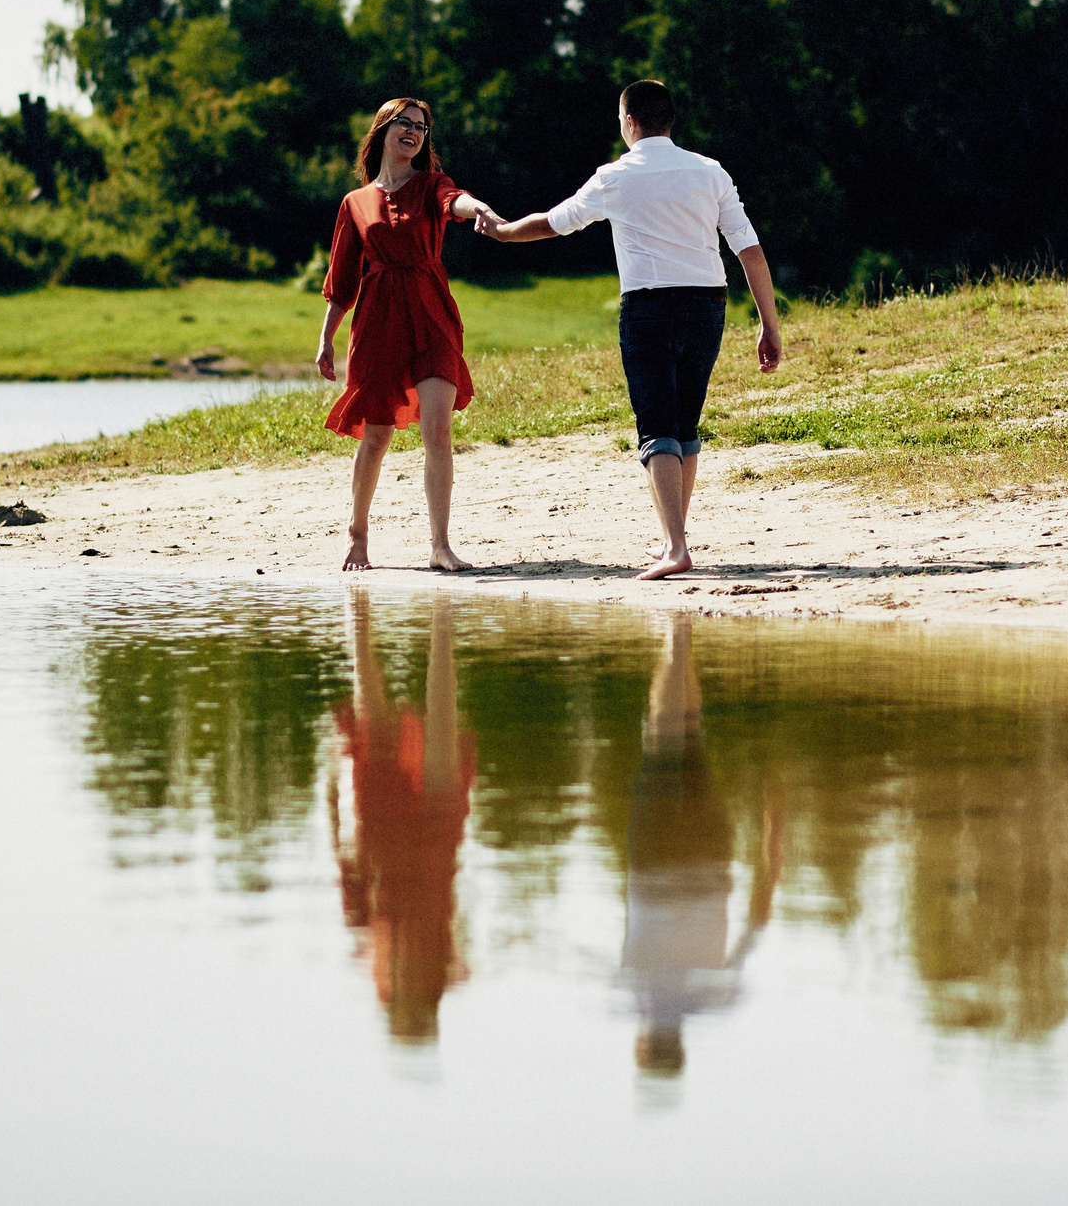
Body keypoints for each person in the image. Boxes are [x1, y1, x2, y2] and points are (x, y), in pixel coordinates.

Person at [478, 79, 782, 580]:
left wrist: (502, 230)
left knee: (657, 426)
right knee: (684, 425)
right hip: (709, 304)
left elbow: (555, 223)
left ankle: (676, 547)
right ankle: (673, 539)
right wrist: (769, 325)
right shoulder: (710, 172)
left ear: (629, 122)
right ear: (670, 120)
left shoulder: (615, 177)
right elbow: (748, 248)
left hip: (648, 308)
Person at [317, 97, 497, 572]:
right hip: (378, 322)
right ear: (383, 130)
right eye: (406, 123)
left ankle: (440, 544)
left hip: (432, 312)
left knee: (437, 428)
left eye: (422, 127)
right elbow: (341, 280)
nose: (414, 132)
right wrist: (325, 340)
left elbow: (452, 201)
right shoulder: (355, 203)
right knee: (374, 436)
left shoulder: (431, 185)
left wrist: (475, 206)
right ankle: (357, 536)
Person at [621, 611, 783, 1079]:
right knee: (663, 736)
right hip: (655, 869)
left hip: (707, 862)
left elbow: (759, 917)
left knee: (687, 736)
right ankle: (677, 637)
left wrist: (774, 837)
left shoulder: (716, 995)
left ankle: (681, 641)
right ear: (644, 1041)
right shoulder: (636, 996)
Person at [331, 591, 474, 1043]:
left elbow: (344, 861)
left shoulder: (369, 940)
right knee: (430, 709)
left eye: (404, 1001)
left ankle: (374, 615)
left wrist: (331, 790)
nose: (407, 984)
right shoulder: (448, 959)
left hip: (384, 823)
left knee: (372, 702)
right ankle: (439, 620)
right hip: (433, 822)